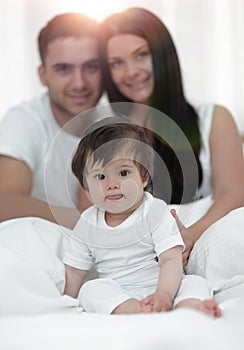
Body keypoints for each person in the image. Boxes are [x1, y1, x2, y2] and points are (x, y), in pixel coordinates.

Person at [98, 7, 244, 265]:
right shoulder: (104, 132)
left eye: (141, 55)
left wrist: (188, 236)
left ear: (164, 57)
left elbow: (233, 193)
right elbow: (91, 210)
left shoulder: (214, 118)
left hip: (198, 240)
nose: (131, 71)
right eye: (117, 63)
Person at [64, 117, 221, 318]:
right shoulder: (87, 222)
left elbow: (170, 259)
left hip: (164, 285)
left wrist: (163, 294)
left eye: (123, 172)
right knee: (90, 290)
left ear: (144, 177)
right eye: (100, 177)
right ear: (86, 187)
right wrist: (65, 301)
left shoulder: (154, 211)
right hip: (121, 293)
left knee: (195, 282)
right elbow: (75, 271)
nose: (111, 184)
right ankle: (138, 310)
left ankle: (189, 309)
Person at [0, 13, 103, 228]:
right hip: (40, 250)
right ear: (43, 75)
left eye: (91, 67)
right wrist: (90, 225)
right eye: (63, 69)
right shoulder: (25, 120)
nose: (79, 83)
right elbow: (5, 203)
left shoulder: (117, 121)